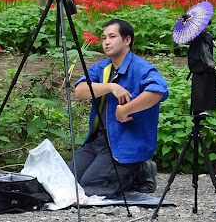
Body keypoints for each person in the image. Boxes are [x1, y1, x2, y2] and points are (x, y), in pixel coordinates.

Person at [68, 19, 169, 198]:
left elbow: (158, 92)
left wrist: (126, 109)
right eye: (104, 37)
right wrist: (110, 87)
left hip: (125, 144)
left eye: (112, 36)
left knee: (91, 187)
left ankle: (139, 171)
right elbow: (80, 90)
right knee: (66, 182)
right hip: (98, 141)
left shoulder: (141, 68)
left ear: (127, 40)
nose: (106, 41)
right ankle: (138, 171)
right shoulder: (103, 68)